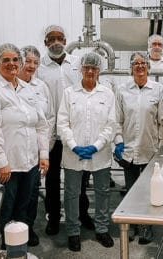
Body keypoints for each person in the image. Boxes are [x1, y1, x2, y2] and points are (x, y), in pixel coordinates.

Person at [0, 43, 50, 247]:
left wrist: (44, 154)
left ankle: (19, 250)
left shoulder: (28, 89)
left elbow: (41, 124)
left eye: (15, 59)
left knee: (24, 209)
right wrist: (1, 161)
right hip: (5, 166)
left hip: (29, 162)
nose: (11, 64)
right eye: (5, 60)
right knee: (4, 211)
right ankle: (1, 250)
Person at [36, 25, 94, 236]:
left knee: (79, 176)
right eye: (51, 39)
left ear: (66, 40)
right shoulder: (40, 68)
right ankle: (53, 217)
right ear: (45, 43)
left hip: (75, 131)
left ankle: (82, 213)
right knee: (51, 178)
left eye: (60, 38)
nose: (56, 42)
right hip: (51, 132)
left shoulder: (77, 64)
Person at [57, 52, 116, 252]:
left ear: (99, 70)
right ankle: (73, 232)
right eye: (86, 67)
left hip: (100, 154)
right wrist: (74, 145)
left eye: (94, 67)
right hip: (73, 154)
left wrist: (95, 146)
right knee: (72, 193)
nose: (90, 71)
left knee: (103, 191)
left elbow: (111, 125)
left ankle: (102, 228)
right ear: (80, 69)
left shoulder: (107, 94)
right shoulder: (69, 93)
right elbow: (62, 123)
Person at [114, 51, 163, 244]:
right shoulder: (122, 90)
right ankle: (130, 225)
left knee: (148, 190)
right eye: (135, 63)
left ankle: (146, 227)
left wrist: (161, 148)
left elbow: (162, 121)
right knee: (130, 191)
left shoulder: (158, 89)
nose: (139, 66)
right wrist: (118, 141)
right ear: (131, 68)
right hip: (128, 149)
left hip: (149, 149)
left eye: (143, 63)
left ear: (148, 66)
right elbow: (117, 120)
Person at [17, 46, 55, 247]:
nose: (31, 66)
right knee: (13, 194)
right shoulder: (8, 85)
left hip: (35, 150)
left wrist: (44, 151)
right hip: (13, 151)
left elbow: (47, 119)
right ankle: (10, 230)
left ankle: (28, 228)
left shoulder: (41, 87)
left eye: (35, 63)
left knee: (32, 192)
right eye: (28, 61)